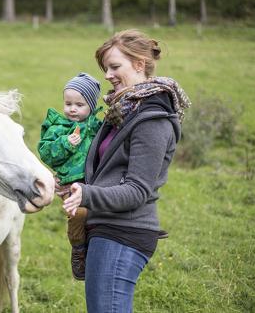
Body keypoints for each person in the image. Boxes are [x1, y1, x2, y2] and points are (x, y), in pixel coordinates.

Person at [61, 29, 191, 312]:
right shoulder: (123, 110)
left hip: (124, 232)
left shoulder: (152, 120)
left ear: (139, 64)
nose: (107, 75)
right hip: (105, 227)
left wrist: (87, 194)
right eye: (106, 68)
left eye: (114, 66)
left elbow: (137, 191)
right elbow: (107, 172)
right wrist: (74, 184)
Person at [37, 72, 102, 280]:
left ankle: (93, 249)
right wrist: (65, 143)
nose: (72, 109)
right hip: (70, 184)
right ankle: (78, 249)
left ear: (91, 106)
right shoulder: (58, 128)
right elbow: (45, 153)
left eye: (79, 104)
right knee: (80, 213)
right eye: (68, 103)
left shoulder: (97, 128)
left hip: (94, 183)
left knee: (98, 218)